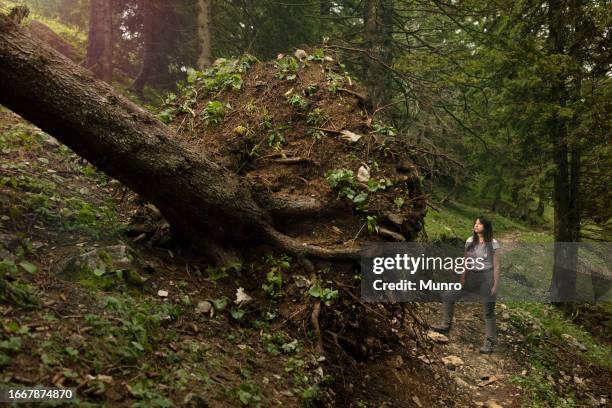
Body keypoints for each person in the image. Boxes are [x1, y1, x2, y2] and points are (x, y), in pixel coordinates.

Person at [431, 216, 502, 354]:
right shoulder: (470, 241)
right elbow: (466, 261)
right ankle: (445, 325)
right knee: (448, 295)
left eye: (479, 224)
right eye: (475, 223)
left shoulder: (493, 244)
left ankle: (489, 342)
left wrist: (495, 285)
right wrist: (463, 278)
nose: (476, 226)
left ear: (486, 227)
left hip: (487, 277)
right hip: (471, 276)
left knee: (488, 311)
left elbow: (497, 266)